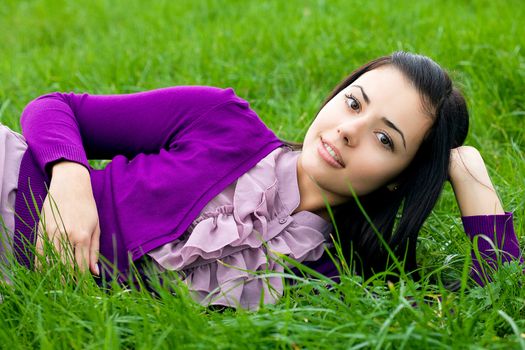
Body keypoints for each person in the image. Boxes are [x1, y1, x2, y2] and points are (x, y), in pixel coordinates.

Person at [0, 52, 521, 309]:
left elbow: (489, 307)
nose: (347, 131)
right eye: (353, 102)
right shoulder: (221, 120)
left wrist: (472, 180)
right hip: (15, 189)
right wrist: (70, 183)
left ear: (398, 181)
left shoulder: (342, 279)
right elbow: (55, 109)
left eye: (386, 140)